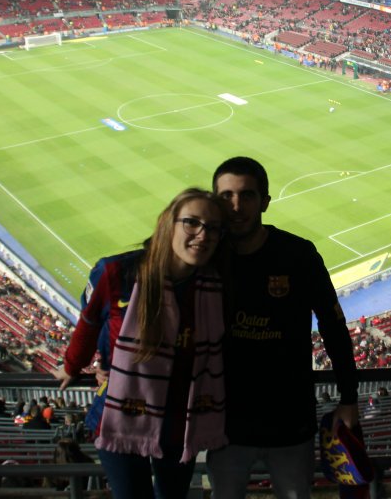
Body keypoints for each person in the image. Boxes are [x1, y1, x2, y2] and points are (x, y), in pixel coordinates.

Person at [54, 188, 229, 499]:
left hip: (180, 421)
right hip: (120, 417)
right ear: (168, 223)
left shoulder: (215, 284)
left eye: (213, 228)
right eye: (192, 222)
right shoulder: (116, 272)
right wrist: (73, 365)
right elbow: (90, 321)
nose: (203, 235)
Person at [207, 156, 359, 499]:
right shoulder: (207, 257)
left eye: (247, 195)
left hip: (290, 421)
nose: (236, 206)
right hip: (227, 424)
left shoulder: (298, 255)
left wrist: (349, 397)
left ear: (265, 201)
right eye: (226, 196)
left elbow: (334, 326)